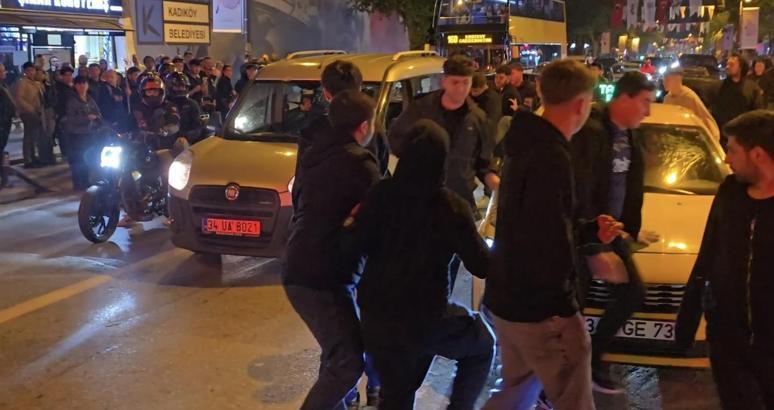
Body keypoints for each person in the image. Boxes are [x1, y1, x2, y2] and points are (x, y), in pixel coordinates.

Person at [482, 59, 622, 410]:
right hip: (542, 309)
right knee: (572, 397)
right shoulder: (551, 154)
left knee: (514, 394)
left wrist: (589, 230)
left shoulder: (524, 142)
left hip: (509, 300)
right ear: (580, 104)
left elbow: (537, 222)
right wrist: (565, 305)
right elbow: (547, 237)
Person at [350, 120, 494, 409]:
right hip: (426, 319)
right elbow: (482, 265)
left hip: (377, 317)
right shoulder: (451, 207)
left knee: (397, 393)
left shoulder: (380, 195)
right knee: (481, 344)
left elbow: (356, 246)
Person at [282, 89, 381, 410]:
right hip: (323, 275)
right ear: (364, 127)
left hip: (300, 266)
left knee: (337, 355)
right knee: (348, 363)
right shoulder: (360, 163)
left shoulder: (314, 155)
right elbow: (382, 216)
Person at [676, 110, 774, 410]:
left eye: (731, 150)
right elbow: (708, 253)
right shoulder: (730, 192)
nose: (727, 159)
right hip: (728, 342)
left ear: (757, 154)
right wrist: (689, 318)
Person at [572, 71, 659, 394]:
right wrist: (594, 246)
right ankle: (566, 375)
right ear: (624, 99)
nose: (648, 111)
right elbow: (581, 191)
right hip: (586, 235)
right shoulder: (591, 132)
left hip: (614, 232)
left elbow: (631, 187)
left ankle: (591, 356)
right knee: (572, 307)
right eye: (645, 103)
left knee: (634, 291)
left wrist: (631, 230)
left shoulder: (631, 134)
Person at [388, 55, 499, 290]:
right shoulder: (421, 109)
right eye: (455, 82)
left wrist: (494, 181)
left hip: (458, 201)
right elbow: (395, 139)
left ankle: (438, 304)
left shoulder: (477, 118)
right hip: (419, 199)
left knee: (445, 266)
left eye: (466, 83)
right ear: (444, 81)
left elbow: (483, 163)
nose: (460, 89)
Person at [711, 54, 764, 148]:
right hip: (722, 137)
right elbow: (713, 111)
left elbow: (757, 113)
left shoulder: (752, 88)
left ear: (741, 67)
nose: (727, 67)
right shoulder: (718, 87)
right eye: (727, 64)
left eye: (731, 64)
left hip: (743, 138)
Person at [61, 76, 102, 191]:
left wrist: (97, 118)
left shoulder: (89, 99)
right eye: (79, 84)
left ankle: (86, 180)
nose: (82, 86)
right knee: (77, 159)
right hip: (76, 134)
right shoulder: (71, 100)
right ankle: (78, 183)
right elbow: (70, 118)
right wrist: (86, 118)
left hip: (89, 133)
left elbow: (97, 112)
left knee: (88, 158)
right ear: (75, 86)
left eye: (84, 84)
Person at [662, 68, 720, 140]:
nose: (664, 83)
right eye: (663, 80)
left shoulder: (689, 97)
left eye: (667, 80)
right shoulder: (667, 99)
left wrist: (712, 138)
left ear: (677, 80)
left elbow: (704, 119)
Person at [14, 62, 45, 168]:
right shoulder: (22, 83)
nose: (31, 72)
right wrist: (30, 108)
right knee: (29, 135)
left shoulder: (36, 82)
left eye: (32, 70)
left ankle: (33, 157)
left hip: (37, 112)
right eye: (28, 70)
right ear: (25, 72)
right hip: (27, 113)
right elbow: (19, 98)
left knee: (34, 136)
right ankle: (28, 159)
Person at [165, 72, 204, 144]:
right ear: (170, 87)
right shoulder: (163, 104)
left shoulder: (192, 104)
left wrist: (185, 137)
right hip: (165, 141)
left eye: (183, 86)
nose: (181, 89)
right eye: (177, 86)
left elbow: (198, 127)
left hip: (185, 142)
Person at [52, 66, 75, 158]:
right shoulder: (58, 88)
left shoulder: (72, 87)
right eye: (66, 75)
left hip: (73, 116)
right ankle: (66, 155)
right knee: (64, 137)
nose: (69, 77)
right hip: (63, 115)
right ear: (61, 76)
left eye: (70, 75)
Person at [0, 64, 15, 186]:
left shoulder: (3, 85)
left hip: (5, 123)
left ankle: (3, 177)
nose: (5, 73)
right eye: (2, 71)